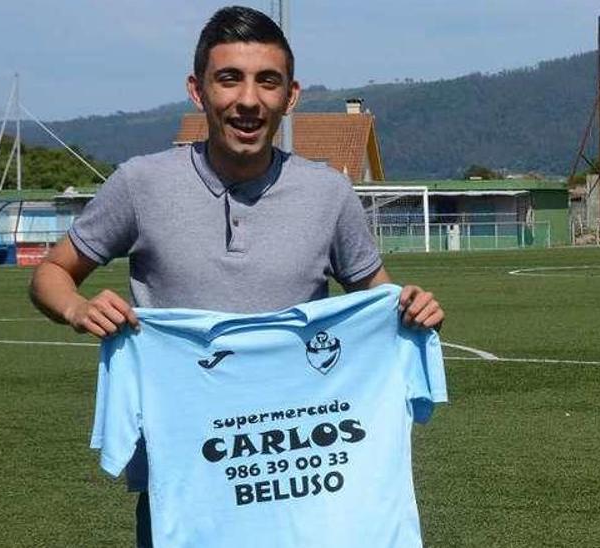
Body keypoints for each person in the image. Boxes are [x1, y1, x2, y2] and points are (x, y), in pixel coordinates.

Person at [28, 6, 443, 546]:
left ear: (289, 97)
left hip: (302, 477)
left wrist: (409, 309)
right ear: (197, 91)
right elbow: (52, 273)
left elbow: (378, 297)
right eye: (229, 79)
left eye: (266, 82)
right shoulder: (140, 184)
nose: (248, 100)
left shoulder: (328, 193)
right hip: (185, 479)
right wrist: (78, 309)